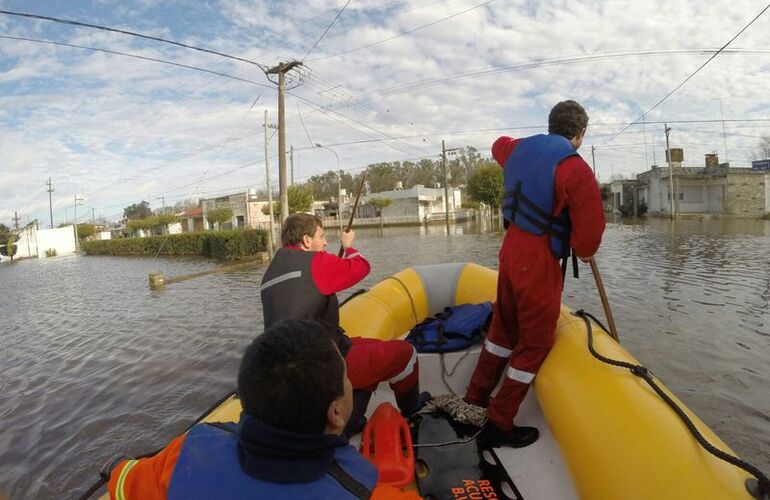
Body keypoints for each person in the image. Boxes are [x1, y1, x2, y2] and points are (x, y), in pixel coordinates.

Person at [464, 100, 605, 448]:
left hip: (509, 250)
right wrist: (584, 251)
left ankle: (475, 398)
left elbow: (499, 144)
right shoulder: (576, 169)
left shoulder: (514, 150)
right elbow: (589, 235)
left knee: (501, 330)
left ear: (551, 125)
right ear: (581, 133)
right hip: (538, 259)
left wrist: (522, 144)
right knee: (536, 341)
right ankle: (499, 421)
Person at [107, 319, 378, 499]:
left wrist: (116, 468)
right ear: (336, 413)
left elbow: (122, 483)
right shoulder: (365, 490)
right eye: (346, 375)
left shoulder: (187, 452)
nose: (350, 381)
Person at [260, 214, 429, 434]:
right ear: (307, 241)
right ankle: (412, 411)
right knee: (406, 354)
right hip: (319, 367)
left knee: (367, 347)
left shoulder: (270, 274)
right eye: (321, 236)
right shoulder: (316, 262)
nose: (325, 242)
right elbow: (361, 267)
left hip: (288, 371)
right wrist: (348, 246)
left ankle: (352, 418)